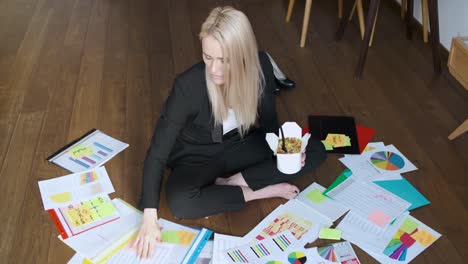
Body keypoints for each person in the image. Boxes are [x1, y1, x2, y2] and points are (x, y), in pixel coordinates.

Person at [132, 6, 327, 259]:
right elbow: (157, 154)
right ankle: (258, 189)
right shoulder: (187, 86)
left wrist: (288, 153)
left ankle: (236, 182)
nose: (214, 70)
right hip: (196, 156)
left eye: (224, 60)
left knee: (314, 150)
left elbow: (269, 127)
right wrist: (149, 217)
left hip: (240, 145)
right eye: (207, 57)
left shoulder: (262, 68)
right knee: (180, 202)